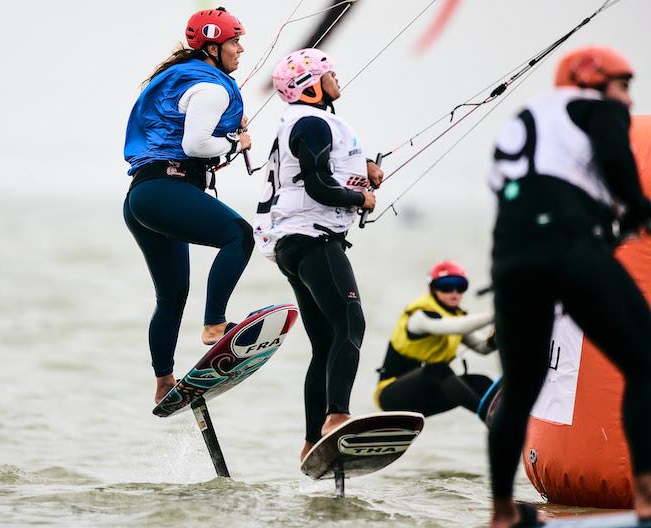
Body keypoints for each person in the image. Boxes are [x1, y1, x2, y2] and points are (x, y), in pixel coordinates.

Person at [485, 46, 651, 528]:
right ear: (596, 83)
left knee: (520, 389)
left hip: (512, 261)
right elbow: (619, 169)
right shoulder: (601, 110)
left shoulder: (525, 118)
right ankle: (644, 496)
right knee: (643, 361)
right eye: (623, 86)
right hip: (571, 250)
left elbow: (517, 191)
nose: (626, 97)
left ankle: (500, 512)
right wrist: (638, 211)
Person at [253, 48, 383, 461]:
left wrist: (364, 168)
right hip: (314, 238)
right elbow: (318, 188)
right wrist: (361, 198)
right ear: (310, 85)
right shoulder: (312, 122)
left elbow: (313, 171)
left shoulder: (303, 123)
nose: (336, 79)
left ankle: (312, 440)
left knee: (325, 344)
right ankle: (337, 416)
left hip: (293, 243)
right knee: (351, 323)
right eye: (329, 74)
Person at [123, 7, 255, 404]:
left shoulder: (179, 79)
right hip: (166, 191)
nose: (240, 49)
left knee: (172, 295)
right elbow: (195, 145)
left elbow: (184, 141)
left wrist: (222, 140)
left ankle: (164, 381)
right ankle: (215, 324)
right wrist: (236, 142)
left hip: (141, 198)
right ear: (213, 46)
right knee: (239, 235)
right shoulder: (212, 88)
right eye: (234, 42)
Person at [373, 261, 499, 421]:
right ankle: (493, 422)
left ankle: (515, 425)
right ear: (431, 289)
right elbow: (454, 327)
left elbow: (483, 348)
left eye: (460, 287)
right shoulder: (420, 316)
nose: (454, 293)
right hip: (391, 397)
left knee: (482, 383)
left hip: (426, 398)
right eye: (446, 287)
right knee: (438, 369)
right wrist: (496, 314)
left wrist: (500, 334)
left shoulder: (457, 317)